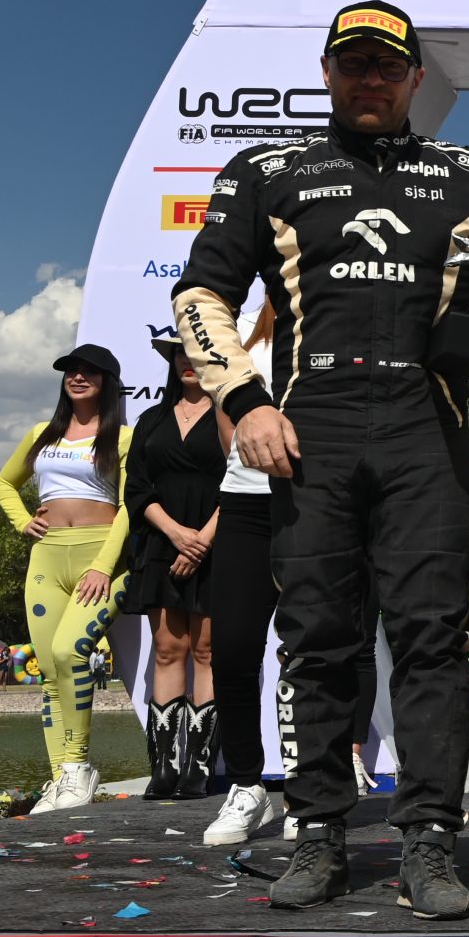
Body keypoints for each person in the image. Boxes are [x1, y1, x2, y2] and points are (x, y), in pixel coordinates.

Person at [171, 0, 469, 919]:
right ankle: (318, 832)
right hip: (310, 426)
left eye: (388, 66)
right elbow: (201, 295)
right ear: (327, 72)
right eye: (354, 63)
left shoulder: (467, 171)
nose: (371, 79)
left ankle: (431, 839)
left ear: (414, 78)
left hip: (424, 424)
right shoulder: (267, 170)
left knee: (431, 639)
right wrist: (244, 400)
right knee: (318, 638)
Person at [0, 347, 133, 815]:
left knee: (70, 651)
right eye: (71, 371)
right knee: (51, 673)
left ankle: (78, 766)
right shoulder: (42, 434)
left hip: (101, 558)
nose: (77, 377)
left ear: (108, 381)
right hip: (46, 558)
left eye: (89, 371)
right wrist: (21, 522)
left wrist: (104, 565)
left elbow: (130, 506)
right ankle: (62, 780)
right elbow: (4, 484)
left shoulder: (124, 437)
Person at [125, 338, 225, 800]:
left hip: (217, 543)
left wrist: (201, 540)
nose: (187, 360)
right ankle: (163, 770)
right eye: (179, 353)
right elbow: (137, 489)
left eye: (194, 352)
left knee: (206, 651)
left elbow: (243, 481)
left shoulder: (229, 415)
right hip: (162, 545)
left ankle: (198, 770)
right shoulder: (151, 419)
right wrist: (176, 535)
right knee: (167, 650)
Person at [203, 303, 287, 848]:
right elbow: (228, 430)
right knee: (232, 650)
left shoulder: (340, 331)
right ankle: (246, 785)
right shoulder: (245, 344)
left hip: (317, 504)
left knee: (315, 653)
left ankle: (310, 791)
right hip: (246, 503)